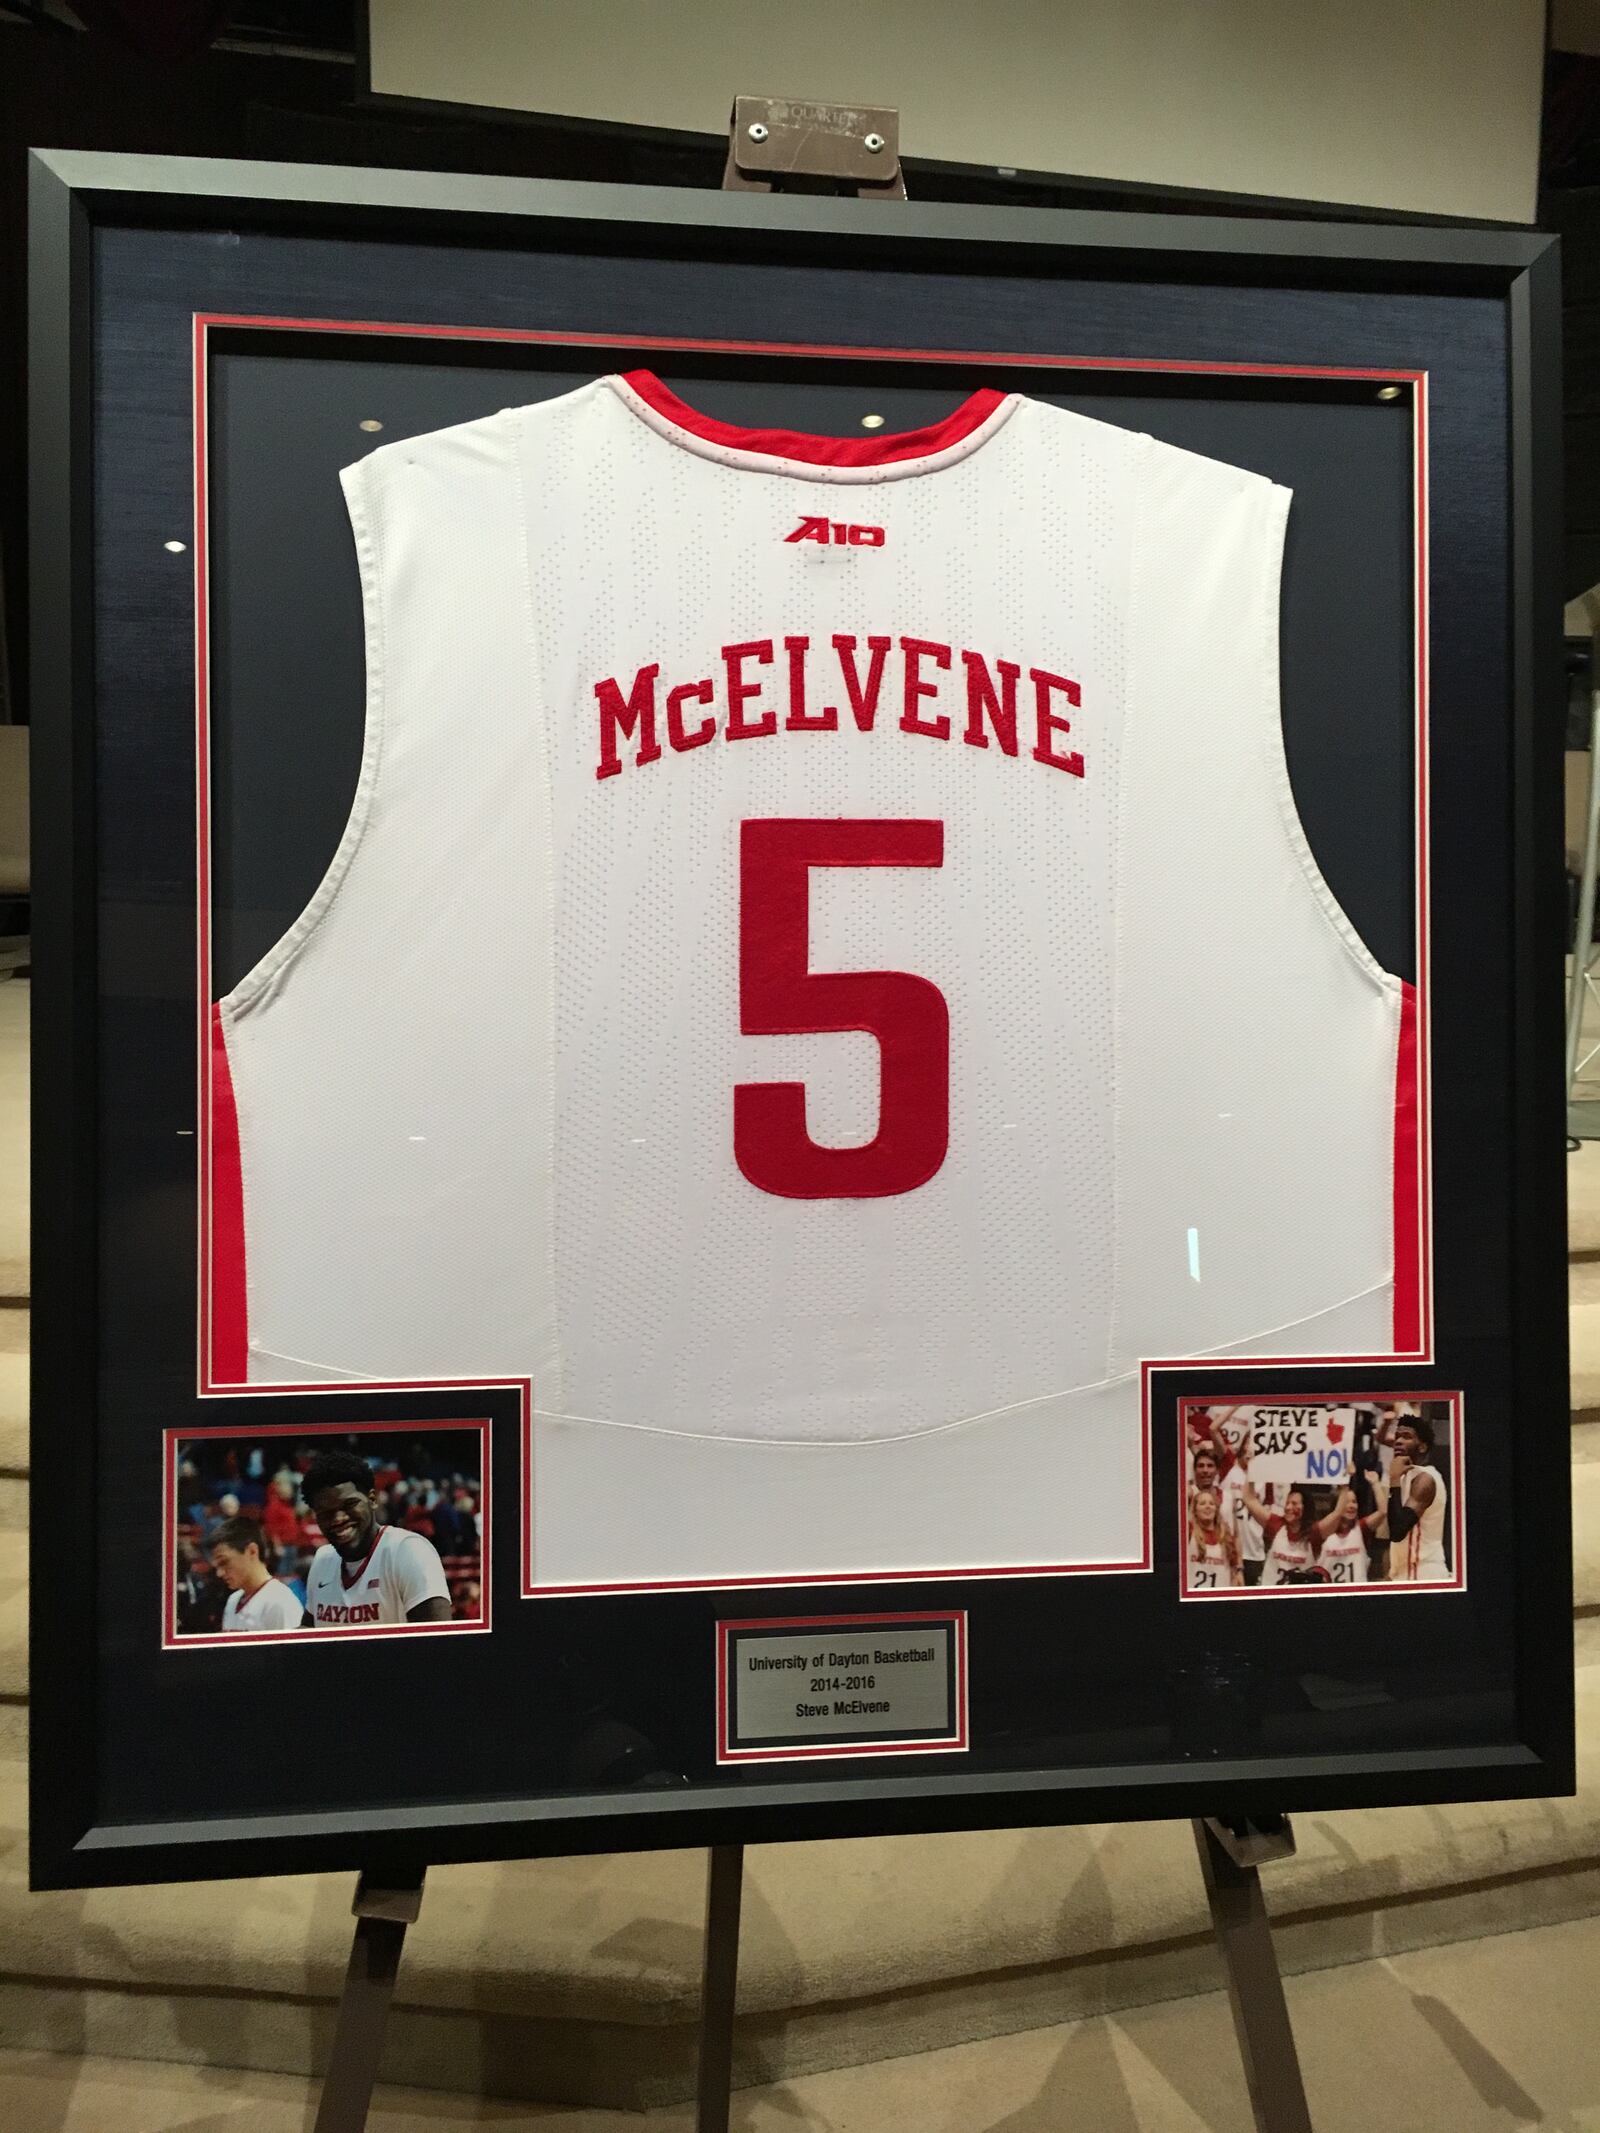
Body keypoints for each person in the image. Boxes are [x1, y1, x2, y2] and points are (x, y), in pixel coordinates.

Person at [300, 1448, 454, 1627]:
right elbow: (308, 1632)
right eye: (326, 1512)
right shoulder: (322, 1559)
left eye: (349, 1504)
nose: (338, 1519)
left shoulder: (408, 1551)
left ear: (372, 1499)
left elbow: (438, 1642)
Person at [1372, 1412, 1450, 1582]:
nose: (1398, 1441)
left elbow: (1398, 1532)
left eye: (1406, 1437)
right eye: (1397, 1436)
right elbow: (1400, 1539)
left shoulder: (1425, 1479)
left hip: (1423, 1573)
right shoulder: (1405, 1475)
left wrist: (1393, 1480)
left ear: (1422, 1447)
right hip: (1407, 1571)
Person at [207, 1515, 304, 1633]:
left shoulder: (280, 1602)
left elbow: (294, 1651)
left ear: (252, 1551)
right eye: (217, 1566)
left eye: (224, 1562)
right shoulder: (233, 1600)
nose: (219, 1573)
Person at [1239, 1480, 1320, 1585]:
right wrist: (1252, 1472)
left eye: (1294, 1503)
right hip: (1271, 1596)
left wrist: (1344, 1487)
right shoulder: (1276, 1524)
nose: (1288, 1507)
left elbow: (1338, 1514)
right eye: (1287, 1503)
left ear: (1305, 1507)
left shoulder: (1315, 1532)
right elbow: (1249, 1499)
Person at [1217, 1431, 1269, 1585]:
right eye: (1248, 1443)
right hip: (1229, 1546)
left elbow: (1268, 1511)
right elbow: (1214, 1429)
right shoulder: (1229, 1467)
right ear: (1243, 1445)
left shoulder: (1265, 1476)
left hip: (1254, 1548)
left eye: (1255, 1445)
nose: (1251, 1449)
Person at [1312, 1486, 1374, 1585]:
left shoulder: (1360, 1528)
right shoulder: (1323, 1532)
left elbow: (1383, 1511)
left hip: (1357, 1595)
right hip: (1329, 1595)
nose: (1351, 1505)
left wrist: (1375, 1483)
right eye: (1346, 1502)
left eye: (1354, 1502)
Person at [1186, 1486, 1243, 1590]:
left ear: (1216, 1509)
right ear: (1195, 1510)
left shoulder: (1226, 1535)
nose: (1207, 1506)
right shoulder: (1188, 1531)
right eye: (1202, 1503)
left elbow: (1234, 1570)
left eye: (1211, 1504)